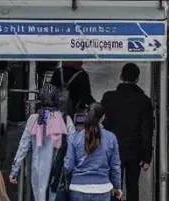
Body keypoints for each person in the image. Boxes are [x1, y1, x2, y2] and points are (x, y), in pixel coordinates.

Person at [9, 84, 76, 201]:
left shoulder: (34, 119)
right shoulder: (66, 120)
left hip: (38, 171)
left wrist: (15, 170)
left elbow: (23, 147)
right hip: (59, 171)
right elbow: (74, 147)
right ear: (57, 99)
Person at [101, 63, 154, 201]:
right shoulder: (144, 101)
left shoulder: (108, 98)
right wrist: (147, 156)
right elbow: (147, 131)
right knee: (132, 186)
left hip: (112, 151)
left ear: (121, 77)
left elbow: (102, 123)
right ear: (137, 79)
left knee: (113, 186)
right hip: (134, 152)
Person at [64, 103, 123, 201]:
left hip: (77, 189)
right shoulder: (111, 138)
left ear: (86, 115)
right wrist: (116, 187)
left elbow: (68, 166)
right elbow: (115, 166)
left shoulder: (74, 138)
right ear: (103, 117)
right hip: (102, 189)